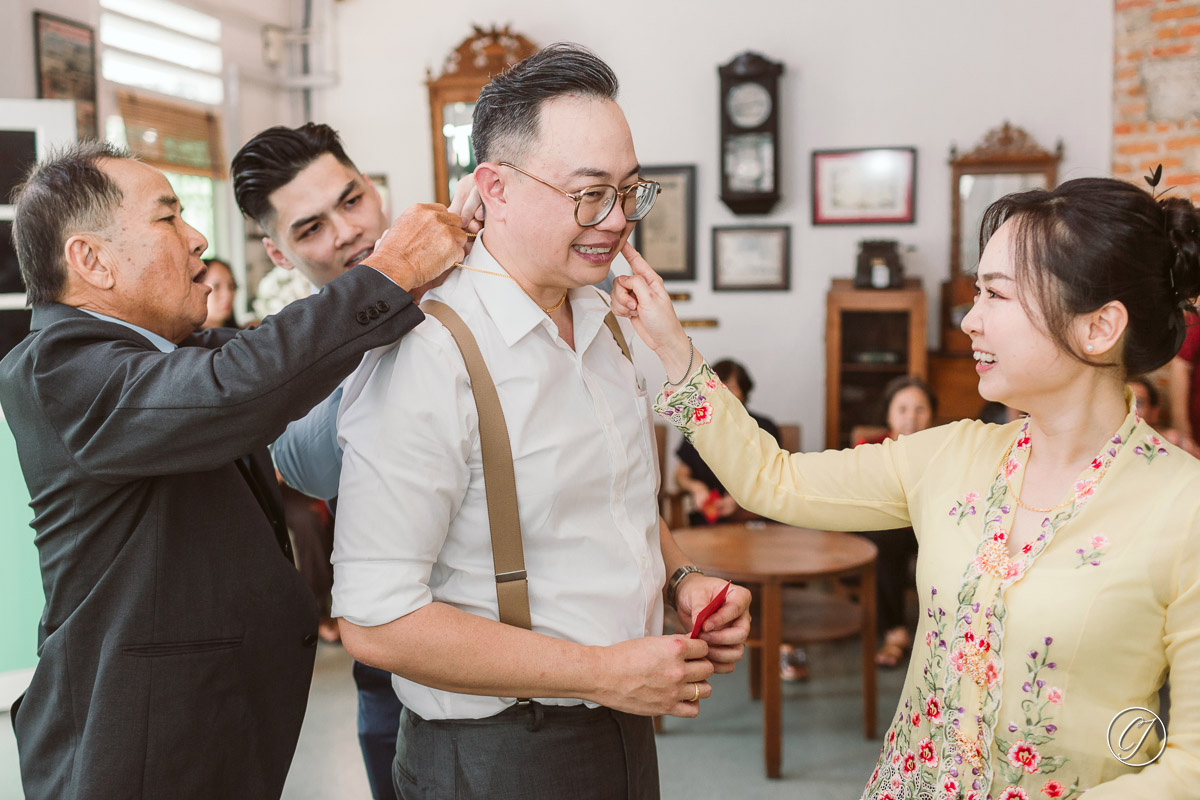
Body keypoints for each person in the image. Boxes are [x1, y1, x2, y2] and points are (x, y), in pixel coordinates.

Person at [614, 176, 1200, 798]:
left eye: (997, 296)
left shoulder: (1182, 506)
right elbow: (773, 479)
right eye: (976, 294)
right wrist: (672, 347)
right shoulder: (952, 457)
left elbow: (1191, 764)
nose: (971, 321)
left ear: (1099, 327)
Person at [332, 44, 750, 799]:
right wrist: (600, 671)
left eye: (630, 191)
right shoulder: (432, 352)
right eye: (591, 194)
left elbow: (613, 504)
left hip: (621, 723)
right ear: (495, 187)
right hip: (496, 754)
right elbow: (375, 620)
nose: (618, 221)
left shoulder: (604, 318)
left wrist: (679, 579)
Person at [0, 141, 465, 800]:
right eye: (168, 219)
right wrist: (391, 267)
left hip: (211, 732)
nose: (197, 241)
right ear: (91, 260)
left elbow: (272, 356)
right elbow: (239, 386)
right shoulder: (56, 369)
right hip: (131, 752)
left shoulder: (170, 351)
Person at [231, 122, 481, 800]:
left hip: (517, 632)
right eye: (309, 229)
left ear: (373, 189)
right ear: (277, 255)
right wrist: (376, 308)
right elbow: (311, 468)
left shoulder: (481, 273)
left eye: (351, 200)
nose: (345, 232)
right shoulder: (287, 355)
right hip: (394, 661)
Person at [855, 376, 937, 669]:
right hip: (886, 527)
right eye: (902, 409)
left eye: (919, 409)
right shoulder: (872, 446)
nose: (910, 418)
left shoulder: (943, 449)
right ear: (889, 413)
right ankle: (895, 631)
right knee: (882, 536)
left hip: (931, 528)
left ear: (931, 414)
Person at [675, 358, 781, 526]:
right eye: (718, 387)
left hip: (754, 517)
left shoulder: (763, 427)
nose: (723, 395)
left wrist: (739, 497)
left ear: (744, 392)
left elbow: (774, 475)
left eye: (731, 388)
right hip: (709, 518)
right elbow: (681, 475)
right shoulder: (697, 426)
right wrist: (697, 488)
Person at [199, 256, 238, 328]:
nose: (227, 295)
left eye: (231, 286)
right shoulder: (182, 338)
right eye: (216, 287)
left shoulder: (244, 336)